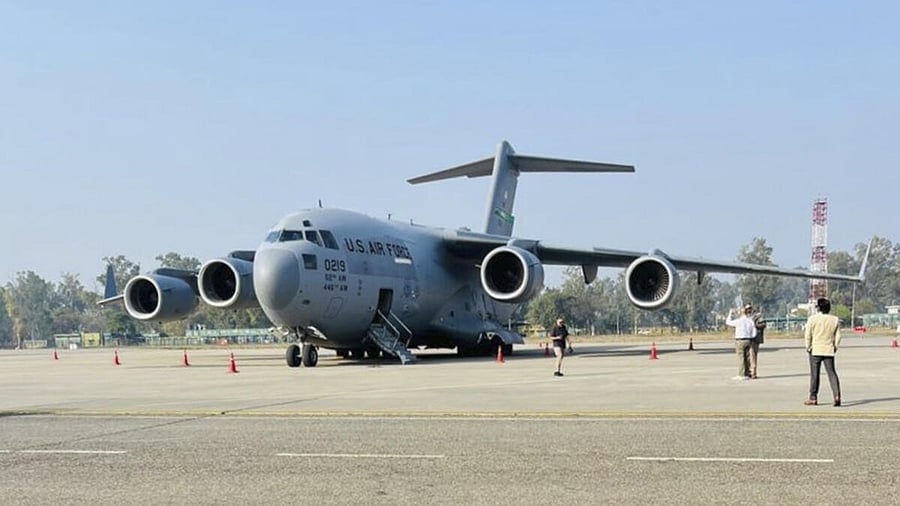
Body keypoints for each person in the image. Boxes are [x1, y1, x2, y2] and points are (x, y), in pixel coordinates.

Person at [804, 298, 842, 407]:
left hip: (815, 349)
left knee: (815, 375)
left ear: (818, 308)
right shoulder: (834, 319)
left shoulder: (812, 319)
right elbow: (838, 336)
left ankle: (813, 397)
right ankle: (836, 395)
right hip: (828, 349)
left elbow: (808, 334)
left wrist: (808, 347)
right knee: (832, 373)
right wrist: (835, 346)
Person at [725, 303, 757, 380]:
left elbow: (728, 322)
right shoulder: (750, 321)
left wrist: (730, 314)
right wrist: (751, 337)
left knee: (741, 358)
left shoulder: (739, 321)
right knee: (747, 358)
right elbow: (754, 332)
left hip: (740, 340)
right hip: (748, 340)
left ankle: (741, 374)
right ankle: (747, 373)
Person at [749, 307, 767, 379]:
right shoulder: (751, 318)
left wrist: (754, 325)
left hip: (755, 339)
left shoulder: (758, 318)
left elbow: (763, 325)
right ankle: (751, 372)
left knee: (753, 356)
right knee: (751, 356)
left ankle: (753, 372)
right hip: (752, 339)